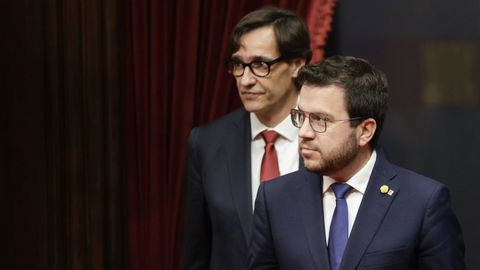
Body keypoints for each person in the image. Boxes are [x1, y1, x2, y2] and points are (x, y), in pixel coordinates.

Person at [248, 56, 466, 270]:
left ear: (365, 131)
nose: (303, 132)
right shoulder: (275, 199)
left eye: (320, 120)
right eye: (300, 117)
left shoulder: (422, 203)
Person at [182, 6, 312, 270]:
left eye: (260, 65)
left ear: (297, 65)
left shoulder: (329, 133)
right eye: (238, 65)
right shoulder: (206, 143)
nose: (245, 80)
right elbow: (196, 251)